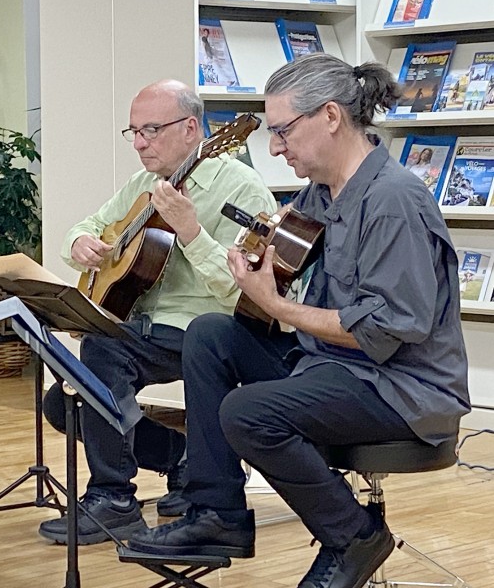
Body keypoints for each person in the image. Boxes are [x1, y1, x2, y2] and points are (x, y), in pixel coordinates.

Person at [127, 54, 470, 588]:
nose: (276, 146)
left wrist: (281, 305)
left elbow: (383, 330)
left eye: (284, 130)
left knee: (247, 411)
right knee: (211, 335)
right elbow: (280, 279)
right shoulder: (318, 195)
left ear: (330, 116)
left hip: (402, 388)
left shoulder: (394, 201)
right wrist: (253, 275)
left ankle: (353, 535)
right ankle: (218, 514)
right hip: (334, 365)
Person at [37, 79, 276, 545]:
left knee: (102, 353)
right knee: (62, 403)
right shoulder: (143, 185)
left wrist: (191, 231)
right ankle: (181, 458)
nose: (140, 143)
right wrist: (79, 243)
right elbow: (89, 225)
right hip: (144, 326)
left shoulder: (241, 189)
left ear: (192, 128)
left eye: (151, 129)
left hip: (207, 330)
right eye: (133, 132)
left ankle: (114, 499)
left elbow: (243, 293)